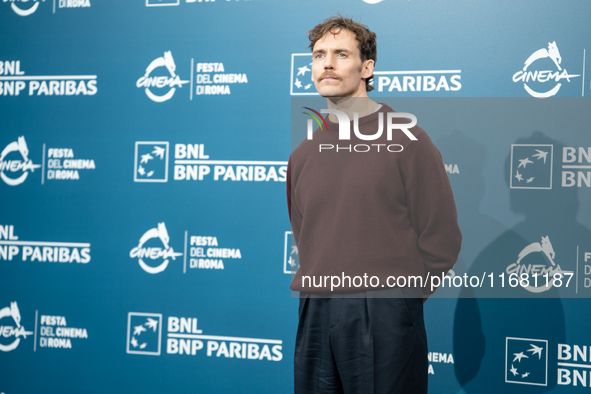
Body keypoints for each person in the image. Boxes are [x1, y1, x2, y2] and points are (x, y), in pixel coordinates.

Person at [287, 15, 462, 393]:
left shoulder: (408, 139)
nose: (327, 63)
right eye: (319, 55)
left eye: (341, 54)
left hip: (383, 312)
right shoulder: (302, 154)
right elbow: (307, 237)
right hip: (315, 309)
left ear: (367, 68)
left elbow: (442, 241)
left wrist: (396, 302)